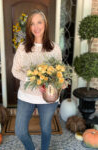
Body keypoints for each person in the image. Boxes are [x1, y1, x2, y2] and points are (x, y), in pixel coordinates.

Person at [12, 9, 65, 150]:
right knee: (20, 131)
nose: (36, 27)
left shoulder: (55, 48)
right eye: (32, 24)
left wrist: (61, 83)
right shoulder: (22, 48)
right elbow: (15, 71)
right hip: (26, 95)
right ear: (29, 27)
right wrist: (33, 78)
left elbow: (58, 73)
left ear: (45, 24)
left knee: (46, 129)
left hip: (47, 98)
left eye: (39, 22)